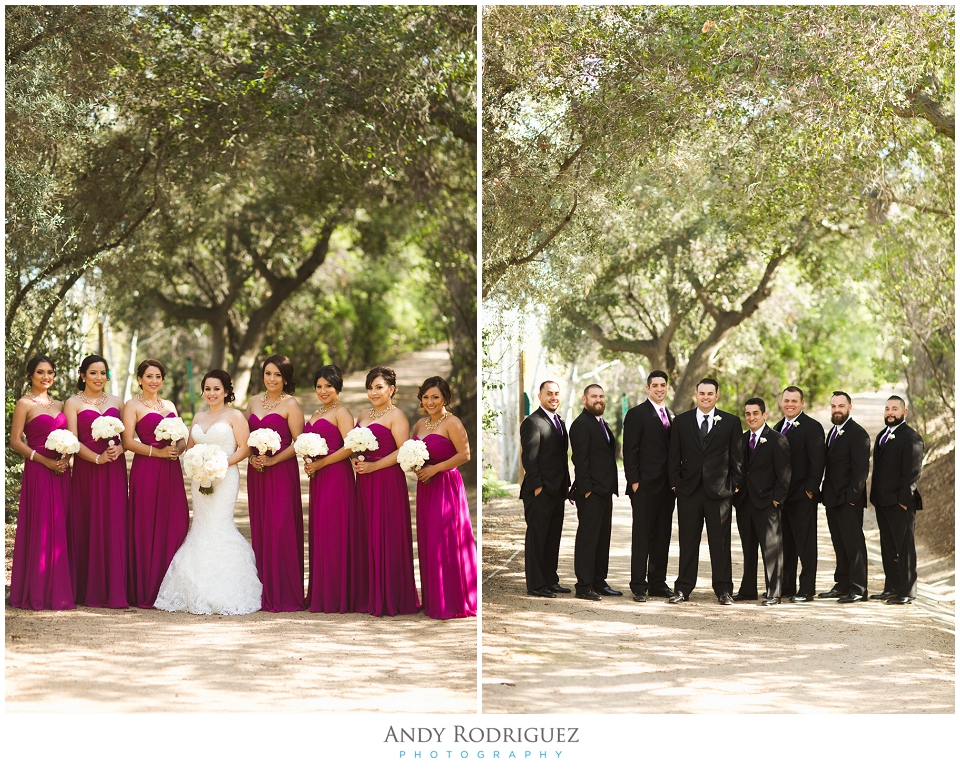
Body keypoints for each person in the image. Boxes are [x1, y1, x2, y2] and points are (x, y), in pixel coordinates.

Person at [155, 370, 262, 615]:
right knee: (201, 526)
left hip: (225, 477)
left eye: (216, 389)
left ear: (226, 391)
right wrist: (193, 461)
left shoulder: (235, 415)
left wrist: (221, 464)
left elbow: (245, 448)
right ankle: (195, 589)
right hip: (200, 479)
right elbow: (190, 448)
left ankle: (228, 589)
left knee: (219, 524)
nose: (211, 393)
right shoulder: (197, 417)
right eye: (207, 389)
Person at [667, 377, 743, 605]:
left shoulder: (731, 422)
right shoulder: (681, 422)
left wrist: (733, 485)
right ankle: (683, 589)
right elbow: (674, 456)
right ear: (696, 394)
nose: (706, 397)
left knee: (720, 543)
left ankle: (723, 590)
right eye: (702, 393)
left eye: (710, 393)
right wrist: (676, 483)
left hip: (719, 493)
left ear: (717, 396)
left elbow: (737, 459)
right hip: (689, 491)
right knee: (687, 541)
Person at [352, 366, 420, 616]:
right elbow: (353, 445)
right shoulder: (362, 413)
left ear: (392, 389)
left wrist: (374, 466)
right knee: (367, 533)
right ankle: (369, 595)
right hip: (365, 482)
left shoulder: (397, 416)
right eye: (370, 388)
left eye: (379, 387)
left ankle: (391, 595)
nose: (373, 392)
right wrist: (356, 461)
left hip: (388, 480)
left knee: (387, 534)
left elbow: (403, 451)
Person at [122, 359, 189, 608]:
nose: (154, 381)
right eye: (149, 376)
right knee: (147, 522)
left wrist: (178, 450)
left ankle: (171, 585)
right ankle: (147, 586)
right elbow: (128, 442)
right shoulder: (132, 406)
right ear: (140, 379)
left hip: (171, 470)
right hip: (147, 468)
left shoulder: (169, 405)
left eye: (158, 376)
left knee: (175, 520)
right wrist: (157, 453)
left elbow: (182, 438)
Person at [8, 355, 74, 610]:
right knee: (42, 526)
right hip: (39, 469)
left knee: (60, 526)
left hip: (61, 471)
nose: (46, 377)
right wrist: (43, 462)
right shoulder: (24, 404)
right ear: (30, 375)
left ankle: (59, 589)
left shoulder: (60, 404)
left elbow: (70, 435)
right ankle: (36, 590)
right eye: (40, 372)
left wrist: (66, 457)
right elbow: (15, 441)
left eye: (50, 372)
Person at [410, 376, 477, 619]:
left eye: (435, 397)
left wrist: (435, 469)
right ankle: (433, 598)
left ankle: (450, 600)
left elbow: (465, 454)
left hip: (445, 485)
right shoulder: (419, 425)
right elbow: (413, 453)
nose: (430, 401)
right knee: (428, 539)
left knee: (444, 538)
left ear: (445, 399)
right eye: (426, 397)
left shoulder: (453, 422)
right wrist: (415, 466)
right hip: (425, 486)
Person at [64, 355, 128, 608]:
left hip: (114, 466)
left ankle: (115, 587)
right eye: (93, 373)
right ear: (82, 375)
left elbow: (128, 436)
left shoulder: (117, 401)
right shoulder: (72, 403)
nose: (99, 378)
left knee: (114, 521)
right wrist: (97, 458)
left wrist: (119, 450)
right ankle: (87, 588)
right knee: (88, 519)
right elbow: (72, 440)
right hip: (87, 467)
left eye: (103, 373)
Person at [246, 354, 306, 612]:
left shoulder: (291, 405)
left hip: (281, 472)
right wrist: (252, 457)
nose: (272, 379)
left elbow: (299, 443)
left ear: (286, 378)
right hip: (257, 472)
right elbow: (244, 437)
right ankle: (263, 589)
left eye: (278, 375)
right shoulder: (252, 402)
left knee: (280, 527)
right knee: (261, 527)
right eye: (268, 373)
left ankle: (286, 593)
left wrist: (273, 461)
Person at [303, 365, 355, 613]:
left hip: (336, 476)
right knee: (321, 530)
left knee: (335, 530)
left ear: (338, 387)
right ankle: (321, 592)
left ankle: (337, 594)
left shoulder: (341, 412)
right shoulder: (315, 413)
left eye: (328, 386)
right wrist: (308, 461)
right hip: (318, 477)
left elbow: (350, 447)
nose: (323, 391)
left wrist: (322, 461)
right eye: (319, 386)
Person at [622, 370, 676, 601]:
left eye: (663, 385)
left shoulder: (672, 415)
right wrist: (634, 481)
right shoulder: (636, 414)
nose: (659, 389)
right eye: (655, 385)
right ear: (648, 388)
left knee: (662, 536)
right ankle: (638, 586)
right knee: (642, 537)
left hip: (667, 489)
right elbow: (629, 450)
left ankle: (657, 583)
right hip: (644, 486)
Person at [733, 398, 791, 606]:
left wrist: (776, 499)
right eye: (747, 414)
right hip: (744, 503)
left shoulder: (777, 439)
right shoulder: (740, 440)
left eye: (755, 413)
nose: (751, 417)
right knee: (748, 549)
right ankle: (748, 589)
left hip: (767, 503)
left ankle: (774, 592)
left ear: (764, 415)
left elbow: (784, 473)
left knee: (771, 549)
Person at [772, 386, 825, 602]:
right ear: (781, 402)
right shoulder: (777, 427)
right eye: (786, 400)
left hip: (803, 495)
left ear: (802, 403)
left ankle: (806, 589)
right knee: (786, 544)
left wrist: (811, 490)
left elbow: (818, 460)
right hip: (782, 497)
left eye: (794, 401)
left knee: (806, 544)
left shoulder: (812, 427)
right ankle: (787, 586)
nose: (790, 404)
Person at [868, 395, 923, 605]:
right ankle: (891, 587)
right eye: (887, 409)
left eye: (895, 409)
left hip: (901, 503)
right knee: (888, 547)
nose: (890, 412)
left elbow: (913, 472)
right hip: (883, 502)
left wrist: (903, 500)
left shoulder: (911, 437)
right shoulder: (882, 435)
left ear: (904, 412)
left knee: (904, 548)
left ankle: (907, 592)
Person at [519, 381, 571, 598]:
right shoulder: (532, 422)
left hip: (557, 490)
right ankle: (536, 585)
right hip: (539, 491)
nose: (553, 397)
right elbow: (529, 458)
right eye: (549, 394)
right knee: (537, 538)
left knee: (552, 538)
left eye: (557, 394)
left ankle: (550, 580)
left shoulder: (558, 421)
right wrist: (538, 486)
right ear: (539, 396)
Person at [569, 383, 621, 601]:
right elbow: (579, 460)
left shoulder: (600, 423)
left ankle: (599, 581)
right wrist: (588, 490)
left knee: (602, 537)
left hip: (604, 491)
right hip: (591, 492)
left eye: (601, 396)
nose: (598, 400)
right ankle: (584, 585)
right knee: (588, 538)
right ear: (584, 399)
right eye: (594, 396)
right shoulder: (581, 424)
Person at [818, 391, 871, 603]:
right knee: (839, 543)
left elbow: (861, 471)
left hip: (849, 500)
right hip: (832, 498)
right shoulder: (833, 431)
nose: (837, 409)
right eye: (833, 406)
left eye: (841, 406)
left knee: (853, 544)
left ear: (850, 407)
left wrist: (851, 497)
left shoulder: (858, 434)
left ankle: (858, 588)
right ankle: (842, 584)